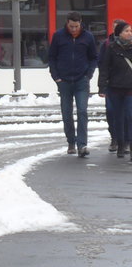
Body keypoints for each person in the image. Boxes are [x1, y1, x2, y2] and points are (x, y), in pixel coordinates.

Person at [47, 10, 98, 157]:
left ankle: (82, 145)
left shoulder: (88, 37)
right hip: (64, 81)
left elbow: (93, 57)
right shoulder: (58, 36)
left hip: (82, 80)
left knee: (82, 112)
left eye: (76, 26)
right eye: (71, 26)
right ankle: (71, 141)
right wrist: (56, 77)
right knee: (66, 113)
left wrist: (88, 74)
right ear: (67, 23)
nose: (74, 29)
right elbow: (52, 57)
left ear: (80, 23)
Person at [98, 19, 132, 159]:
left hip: (130, 88)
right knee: (117, 117)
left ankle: (130, 143)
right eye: (127, 31)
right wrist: (102, 87)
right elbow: (104, 68)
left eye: (131, 31)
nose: (130, 33)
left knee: (130, 116)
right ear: (119, 33)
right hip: (115, 87)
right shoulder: (111, 48)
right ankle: (120, 143)